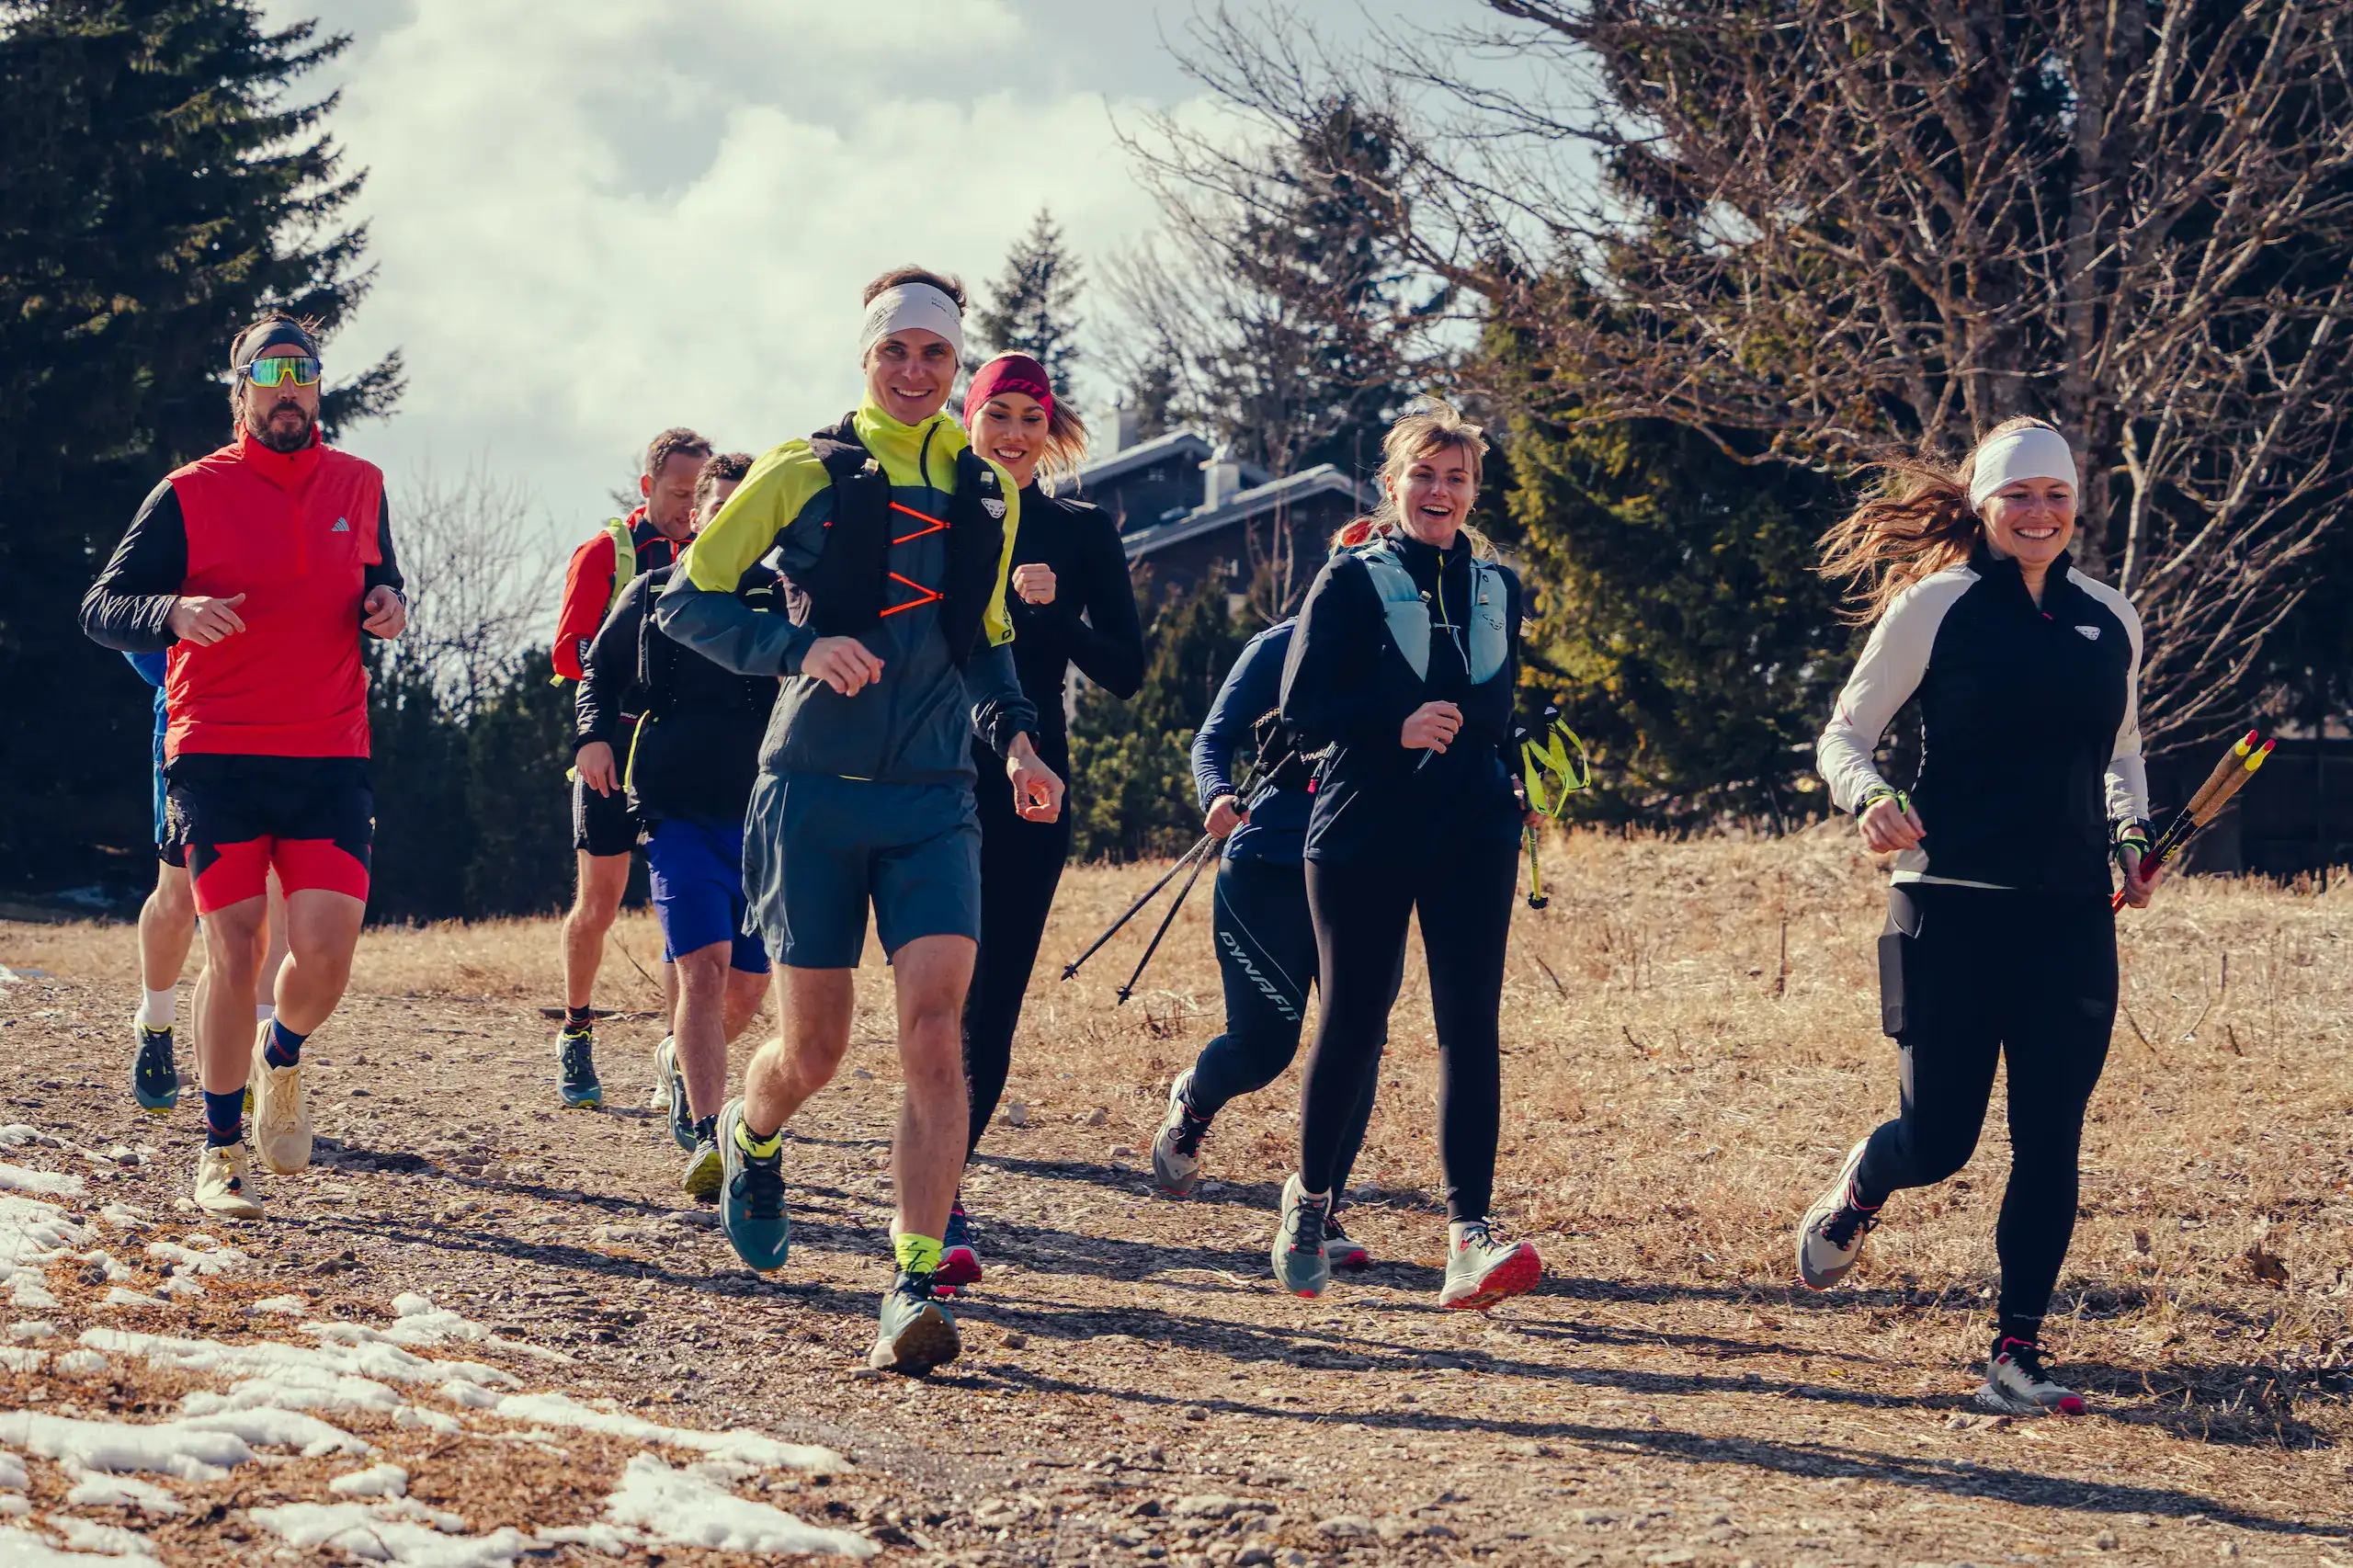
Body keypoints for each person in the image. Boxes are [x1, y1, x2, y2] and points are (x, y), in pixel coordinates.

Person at [656, 267, 1063, 1375]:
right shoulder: (803, 468)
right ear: (866, 356)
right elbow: (686, 597)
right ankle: (752, 1132)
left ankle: (914, 1277)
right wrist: (798, 647)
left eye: (936, 354)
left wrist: (1018, 743)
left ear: (957, 363)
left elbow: (986, 642)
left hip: (936, 797)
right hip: (812, 794)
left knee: (936, 1028)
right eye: (898, 351)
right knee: (814, 1049)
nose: (917, 371)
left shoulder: (988, 488)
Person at [1797, 417, 2159, 1418]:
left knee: (2051, 1137)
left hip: (2068, 916)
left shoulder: (2108, 617)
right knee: (1942, 1138)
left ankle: (2016, 1351)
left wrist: (2133, 834)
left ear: (2076, 503)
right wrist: (1868, 799)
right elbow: (1845, 731)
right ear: (1984, 504)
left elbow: (2121, 754)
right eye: (2017, 495)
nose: (2037, 512)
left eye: (2054, 494)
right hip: (1946, 906)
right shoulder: (1936, 606)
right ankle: (1867, 1180)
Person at [81, 313, 406, 1221]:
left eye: (304, 372)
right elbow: (100, 606)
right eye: (271, 372)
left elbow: (381, 577)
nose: (290, 387)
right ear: (241, 392)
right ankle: (221, 1149)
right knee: (237, 948)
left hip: (329, 752)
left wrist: (387, 603)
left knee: (328, 954)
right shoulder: (189, 493)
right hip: (217, 749)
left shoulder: (361, 483)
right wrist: (174, 613)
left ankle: (285, 1051)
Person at [1270, 402, 1542, 1309]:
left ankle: (1469, 1231)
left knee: (1470, 1025)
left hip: (1472, 829)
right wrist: (1393, 725)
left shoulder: (1500, 587)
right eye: (1424, 475)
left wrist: (1514, 772)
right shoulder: (1349, 582)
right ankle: (1310, 1200)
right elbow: (1301, 706)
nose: (1440, 491)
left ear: (1473, 490)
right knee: (1355, 1016)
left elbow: (1498, 709)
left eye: (1456, 477)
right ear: (1392, 486)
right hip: (1361, 826)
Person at [938, 353, 1144, 1290]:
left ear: (1049, 428)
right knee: (931, 991)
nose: (1014, 433)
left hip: (1031, 789)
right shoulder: (934, 508)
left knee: (993, 1005)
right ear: (968, 418)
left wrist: (1054, 618)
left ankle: (939, 1192)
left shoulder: (1079, 529)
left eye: (1030, 417)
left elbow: (1129, 669)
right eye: (998, 414)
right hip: (928, 776)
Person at [1146, 619, 1388, 1273]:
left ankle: (1320, 1208)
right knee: (1263, 1049)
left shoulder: (1413, 645)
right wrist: (1217, 793)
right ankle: (1196, 1100)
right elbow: (1212, 740)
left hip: (1364, 868)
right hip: (1268, 870)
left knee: (1358, 1039)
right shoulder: (1281, 645)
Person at [575, 452, 773, 1199]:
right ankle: (709, 1130)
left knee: (747, 992)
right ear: (696, 519)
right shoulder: (654, 591)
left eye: (740, 509)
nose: (723, 519)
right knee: (704, 968)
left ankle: (680, 1062)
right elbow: (599, 672)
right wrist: (592, 736)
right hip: (676, 807)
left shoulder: (780, 597)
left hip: (762, 815)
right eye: (712, 507)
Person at [549, 426, 713, 1109]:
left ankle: (679, 1058)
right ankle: (577, 1030)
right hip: (612, 753)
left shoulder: (718, 554)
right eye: (678, 494)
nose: (689, 508)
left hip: (683, 758)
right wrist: (598, 732)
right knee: (600, 903)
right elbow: (569, 655)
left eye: (700, 495)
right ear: (648, 488)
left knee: (684, 914)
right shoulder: (607, 554)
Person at [127, 644, 290, 1116]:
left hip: (294, 730)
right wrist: (195, 674)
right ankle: (155, 1023)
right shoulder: (177, 564)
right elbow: (125, 614)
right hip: (195, 727)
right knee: (179, 899)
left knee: (271, 906)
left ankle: (245, 1063)